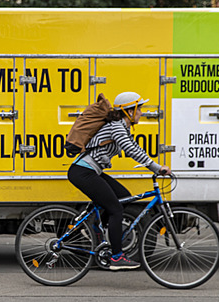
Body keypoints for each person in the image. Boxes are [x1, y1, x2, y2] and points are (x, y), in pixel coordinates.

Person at [67, 91, 171, 271]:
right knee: (115, 209)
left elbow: (134, 147)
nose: (141, 113)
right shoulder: (117, 126)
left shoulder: (122, 127)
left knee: (123, 196)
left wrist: (153, 166)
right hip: (83, 171)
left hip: (91, 171)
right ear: (129, 111)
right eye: (139, 109)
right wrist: (156, 167)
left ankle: (96, 226)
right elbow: (130, 149)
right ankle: (116, 256)